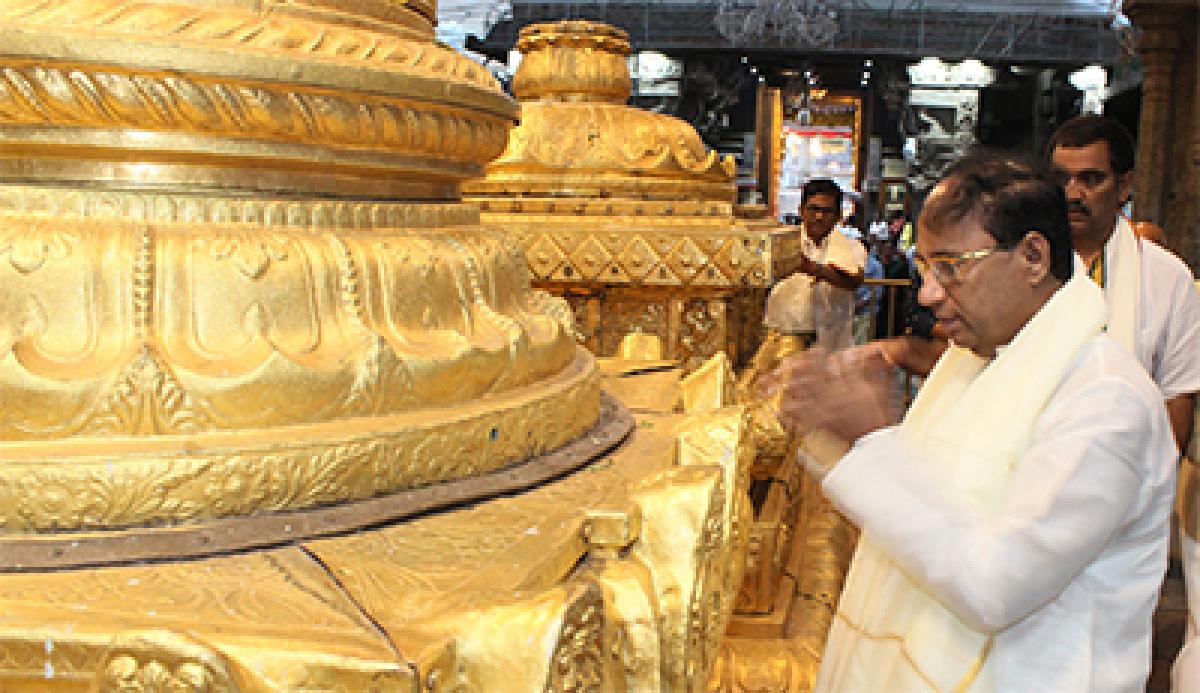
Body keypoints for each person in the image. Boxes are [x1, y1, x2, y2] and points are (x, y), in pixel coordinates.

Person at [766, 153, 1176, 691]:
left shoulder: (1106, 401)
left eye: (951, 267)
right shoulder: (980, 359)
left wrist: (870, 442)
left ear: (1033, 256)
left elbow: (996, 584)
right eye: (925, 269)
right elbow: (937, 500)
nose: (928, 294)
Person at [1048, 114, 1200, 453]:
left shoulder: (1167, 277)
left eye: (1090, 180)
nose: (1072, 194)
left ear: (1124, 186)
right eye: (1061, 180)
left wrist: (1151, 480)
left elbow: (1177, 396)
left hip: (1128, 462)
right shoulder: (1022, 265)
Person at [763, 178, 866, 351]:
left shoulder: (853, 247)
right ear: (801, 210)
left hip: (831, 342)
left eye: (827, 211)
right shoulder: (782, 243)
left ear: (839, 215)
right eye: (813, 209)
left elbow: (853, 281)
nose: (819, 217)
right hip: (783, 335)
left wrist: (813, 268)